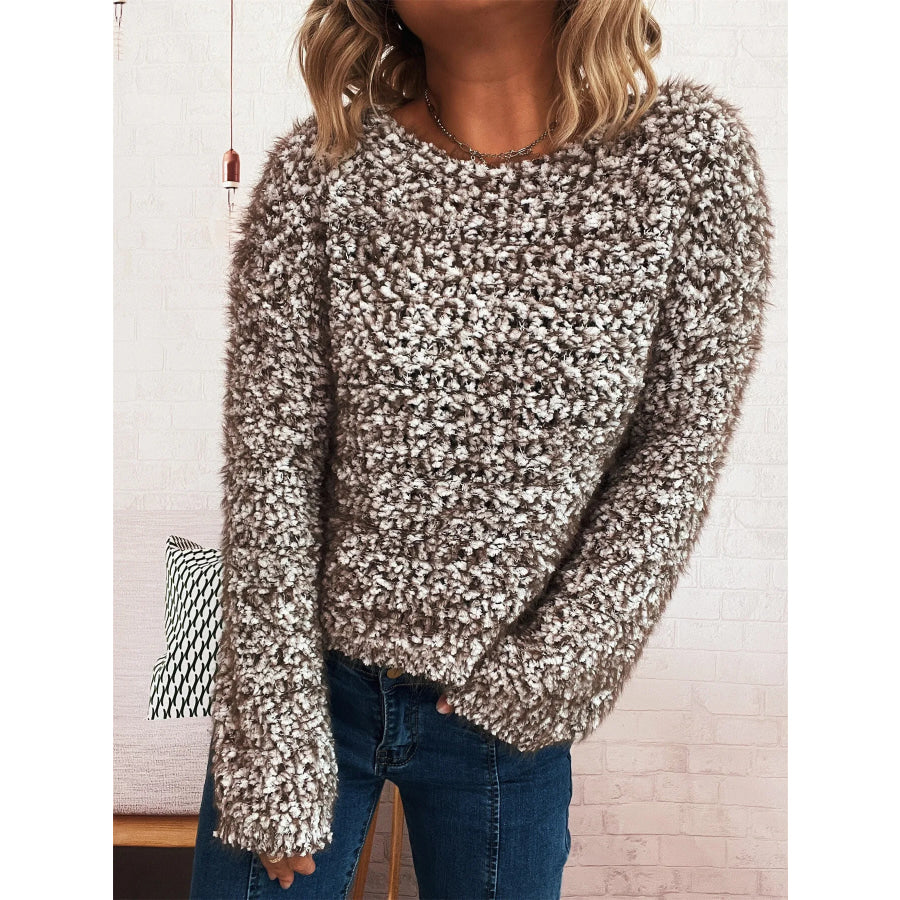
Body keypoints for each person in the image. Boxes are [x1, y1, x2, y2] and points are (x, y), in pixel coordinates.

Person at [189, 0, 774, 897]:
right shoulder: (321, 174)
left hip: (506, 716)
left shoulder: (688, 163)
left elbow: (676, 449)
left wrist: (557, 665)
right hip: (312, 692)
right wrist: (270, 730)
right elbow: (272, 466)